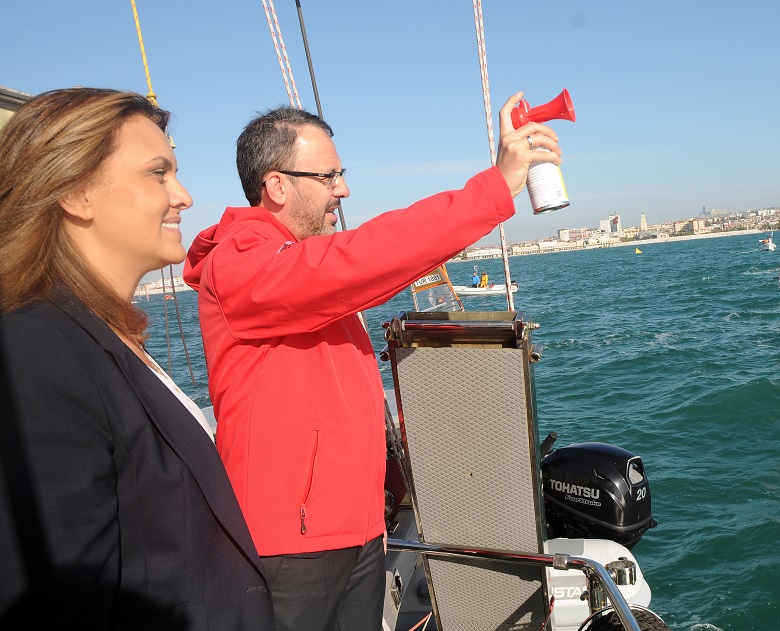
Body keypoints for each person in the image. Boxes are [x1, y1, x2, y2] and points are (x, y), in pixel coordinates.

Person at [183, 92, 560, 630]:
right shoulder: (242, 262)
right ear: (276, 185)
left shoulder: (298, 265)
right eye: (329, 176)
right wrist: (494, 189)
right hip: (289, 546)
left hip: (358, 530)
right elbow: (363, 258)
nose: (344, 189)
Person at [0, 88, 274, 629]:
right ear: (75, 192)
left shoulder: (103, 335)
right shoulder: (34, 354)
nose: (185, 196)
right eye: (158, 173)